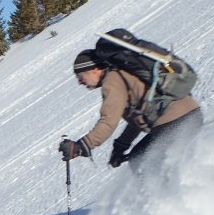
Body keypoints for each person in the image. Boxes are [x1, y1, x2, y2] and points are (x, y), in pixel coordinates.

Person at [59, 38, 202, 169]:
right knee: (147, 159)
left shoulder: (112, 80)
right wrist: (121, 145)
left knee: (141, 162)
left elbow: (109, 120)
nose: (80, 82)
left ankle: (170, 195)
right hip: (191, 115)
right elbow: (140, 115)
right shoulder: (124, 73)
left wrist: (81, 145)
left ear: (95, 69)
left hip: (172, 124)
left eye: (80, 75)